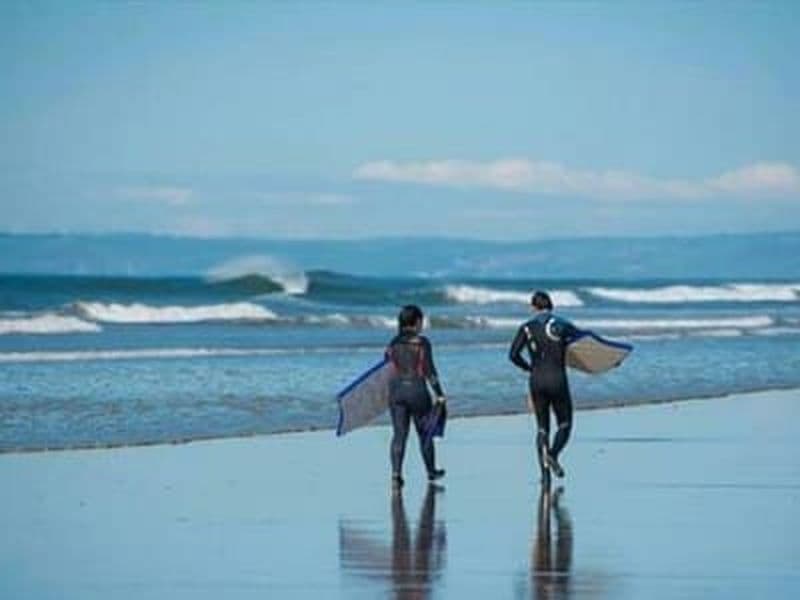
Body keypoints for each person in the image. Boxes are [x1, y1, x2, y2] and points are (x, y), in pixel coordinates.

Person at [509, 291, 580, 486]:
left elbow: (513, 355)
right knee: (565, 424)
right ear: (551, 306)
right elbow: (585, 343)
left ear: (533, 307)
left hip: (537, 381)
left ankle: (545, 477)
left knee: (542, 429)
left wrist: (529, 368)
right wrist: (604, 361)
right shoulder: (562, 325)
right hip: (558, 379)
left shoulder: (526, 328)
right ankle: (553, 454)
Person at [386, 304, 446, 489]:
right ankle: (431, 471)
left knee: (399, 435)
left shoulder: (392, 343)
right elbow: (429, 370)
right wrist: (439, 394)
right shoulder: (422, 343)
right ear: (417, 321)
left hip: (396, 392)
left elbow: (387, 369)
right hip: (417, 391)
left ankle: (396, 475)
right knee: (425, 434)